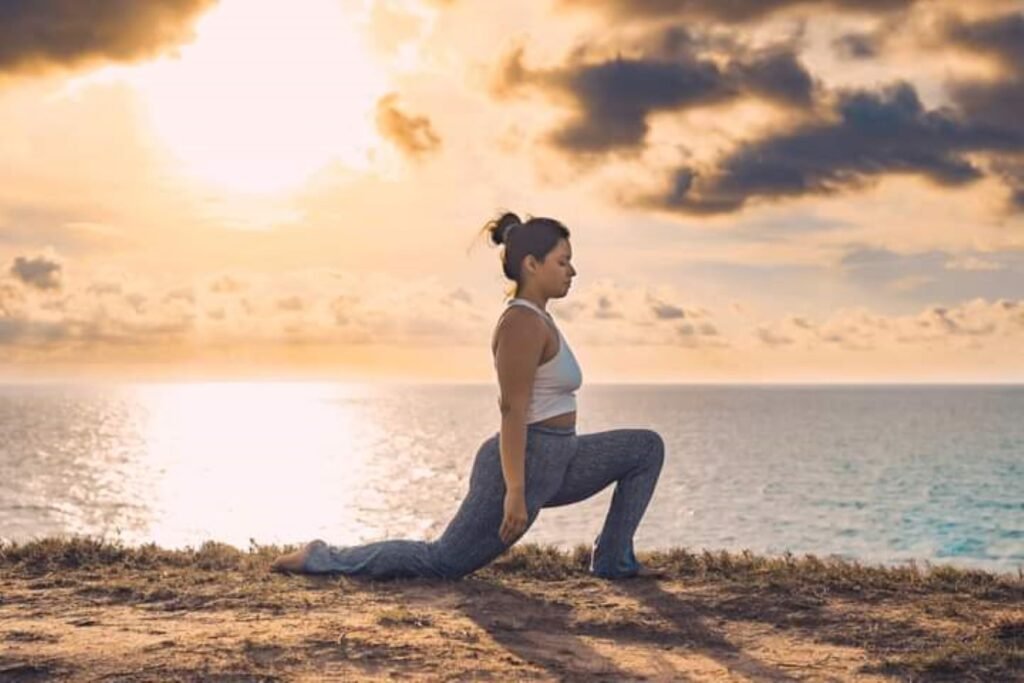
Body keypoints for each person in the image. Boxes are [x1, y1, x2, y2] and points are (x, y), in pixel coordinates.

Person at [270, 211, 665, 580]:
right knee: (443, 562)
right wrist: (515, 491)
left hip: (562, 456)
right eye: (562, 262)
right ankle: (319, 558)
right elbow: (512, 410)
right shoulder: (520, 323)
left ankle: (613, 558)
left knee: (645, 449)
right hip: (526, 463)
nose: (572, 271)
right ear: (531, 264)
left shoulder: (540, 318)